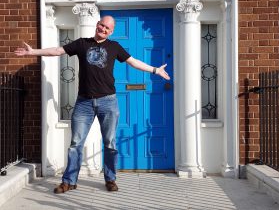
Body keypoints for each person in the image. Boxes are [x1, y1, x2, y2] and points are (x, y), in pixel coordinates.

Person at [14, 15, 170, 194]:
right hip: (84, 103)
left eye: (107, 28)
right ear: (97, 24)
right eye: (101, 25)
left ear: (111, 32)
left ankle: (110, 179)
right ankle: (69, 181)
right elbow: (58, 51)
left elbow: (133, 62)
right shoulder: (82, 43)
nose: (103, 29)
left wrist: (155, 70)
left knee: (110, 143)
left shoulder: (114, 47)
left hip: (108, 102)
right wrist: (32, 52)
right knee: (75, 144)